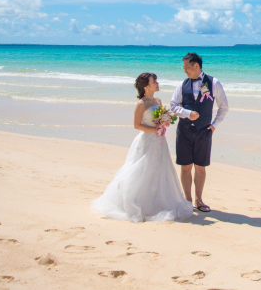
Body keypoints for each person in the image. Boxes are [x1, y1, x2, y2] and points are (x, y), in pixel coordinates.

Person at [91, 72, 193, 222]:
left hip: (159, 142)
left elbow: (161, 117)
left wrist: (165, 121)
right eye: (154, 81)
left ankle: (157, 200)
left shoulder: (157, 100)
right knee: (142, 169)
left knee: (159, 170)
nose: (157, 83)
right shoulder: (141, 104)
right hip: (147, 141)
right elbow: (136, 125)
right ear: (146, 86)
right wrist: (155, 129)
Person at [171, 52, 229, 213]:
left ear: (196, 66)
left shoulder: (214, 83)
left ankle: (199, 200)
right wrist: (187, 113)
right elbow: (173, 106)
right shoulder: (182, 85)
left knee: (201, 167)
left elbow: (224, 107)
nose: (185, 71)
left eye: (187, 67)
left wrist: (214, 124)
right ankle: (187, 201)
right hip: (184, 131)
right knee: (185, 167)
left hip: (204, 131)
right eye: (184, 68)